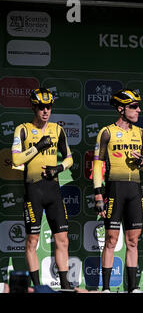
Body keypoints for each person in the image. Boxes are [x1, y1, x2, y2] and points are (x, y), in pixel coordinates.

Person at [11, 88, 73, 289]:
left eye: (49, 107)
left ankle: (64, 285)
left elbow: (69, 158)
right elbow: (16, 159)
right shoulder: (23, 129)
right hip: (33, 191)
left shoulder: (58, 129)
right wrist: (38, 146)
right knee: (32, 240)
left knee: (62, 239)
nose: (45, 111)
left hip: (53, 190)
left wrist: (59, 167)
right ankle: (37, 286)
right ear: (33, 107)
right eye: (41, 107)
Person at [92, 89, 143, 293]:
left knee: (133, 240)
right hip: (114, 189)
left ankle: (133, 288)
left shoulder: (141, 133)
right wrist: (98, 194)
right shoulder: (106, 132)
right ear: (121, 109)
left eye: (138, 106)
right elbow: (97, 164)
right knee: (111, 240)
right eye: (134, 107)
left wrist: (142, 161)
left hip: (134, 190)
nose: (138, 110)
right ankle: (106, 288)